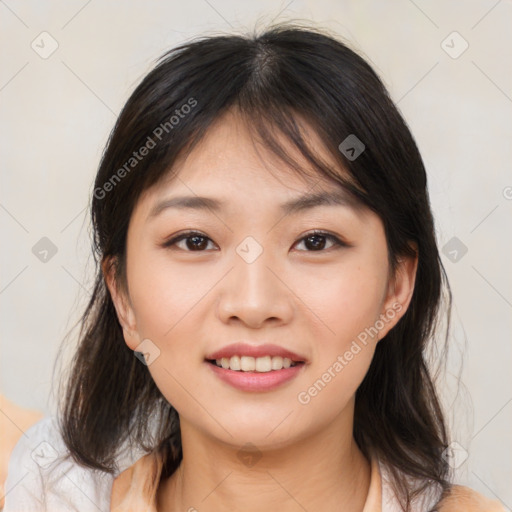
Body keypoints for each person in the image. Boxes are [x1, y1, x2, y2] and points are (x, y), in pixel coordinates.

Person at [3, 24, 505, 512]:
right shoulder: (35, 494)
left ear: (397, 285)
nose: (253, 303)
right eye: (194, 240)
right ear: (123, 297)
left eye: (315, 240)